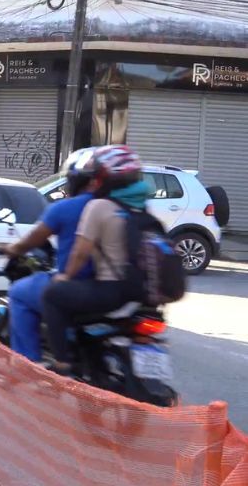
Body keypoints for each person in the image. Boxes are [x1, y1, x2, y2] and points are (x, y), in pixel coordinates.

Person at [42, 145, 151, 375]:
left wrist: (65, 277)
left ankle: (61, 363)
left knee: (52, 295)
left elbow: (80, 253)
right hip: (144, 293)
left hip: (112, 290)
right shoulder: (142, 207)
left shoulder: (99, 206)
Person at [1, 148, 97, 362]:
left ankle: (27, 364)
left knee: (18, 293)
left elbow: (33, 239)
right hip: (116, 289)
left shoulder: (66, 208)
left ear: (75, 181)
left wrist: (12, 249)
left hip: (76, 286)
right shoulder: (119, 208)